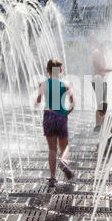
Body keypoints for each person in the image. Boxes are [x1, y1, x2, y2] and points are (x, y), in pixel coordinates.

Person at [36, 59, 75, 187]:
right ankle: (63, 161)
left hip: (48, 116)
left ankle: (53, 177)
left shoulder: (44, 83)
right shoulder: (66, 84)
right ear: (61, 71)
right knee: (65, 146)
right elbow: (72, 103)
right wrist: (66, 113)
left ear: (47, 70)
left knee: (52, 149)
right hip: (61, 116)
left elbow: (38, 100)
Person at [91, 35, 112, 132]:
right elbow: (100, 68)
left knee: (104, 103)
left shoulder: (103, 55)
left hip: (102, 81)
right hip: (97, 80)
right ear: (103, 46)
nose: (108, 50)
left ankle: (101, 123)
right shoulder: (97, 54)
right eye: (107, 48)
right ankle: (98, 125)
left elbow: (104, 67)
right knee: (100, 103)